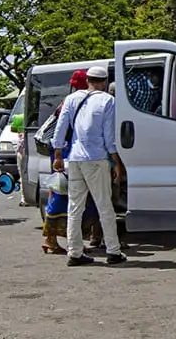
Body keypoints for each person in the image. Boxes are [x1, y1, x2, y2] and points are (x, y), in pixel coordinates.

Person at [52, 66, 127, 266]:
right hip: (97, 158)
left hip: (74, 159)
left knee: (74, 207)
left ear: (88, 80)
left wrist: (58, 154)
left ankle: (74, 253)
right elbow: (109, 136)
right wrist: (116, 163)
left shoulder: (72, 99)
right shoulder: (107, 100)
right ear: (104, 82)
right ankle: (113, 251)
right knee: (105, 206)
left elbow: (60, 129)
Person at [41, 70, 106, 254]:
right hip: (71, 156)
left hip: (64, 155)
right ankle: (53, 240)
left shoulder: (67, 101)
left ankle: (70, 242)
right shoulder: (77, 102)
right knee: (67, 199)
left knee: (68, 199)